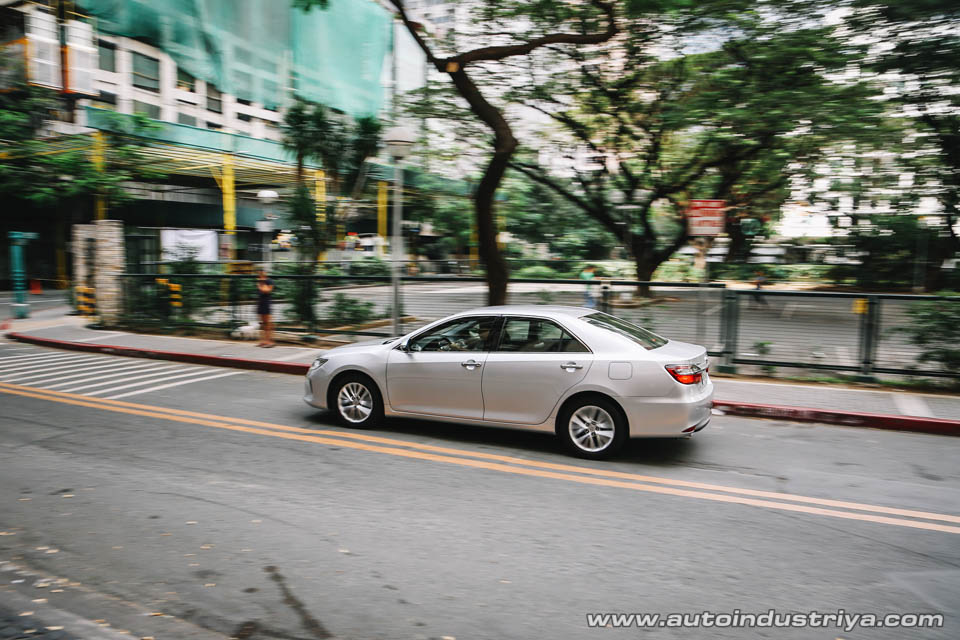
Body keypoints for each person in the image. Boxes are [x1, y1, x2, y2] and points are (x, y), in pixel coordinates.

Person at [256, 269, 275, 347]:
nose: (260, 274)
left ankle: (270, 341)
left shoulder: (269, 281)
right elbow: (261, 290)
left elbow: (266, 290)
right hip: (260, 303)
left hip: (266, 303)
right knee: (262, 323)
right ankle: (264, 341)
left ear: (265, 273)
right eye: (259, 273)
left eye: (262, 272)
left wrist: (261, 284)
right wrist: (260, 284)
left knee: (268, 323)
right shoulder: (259, 282)